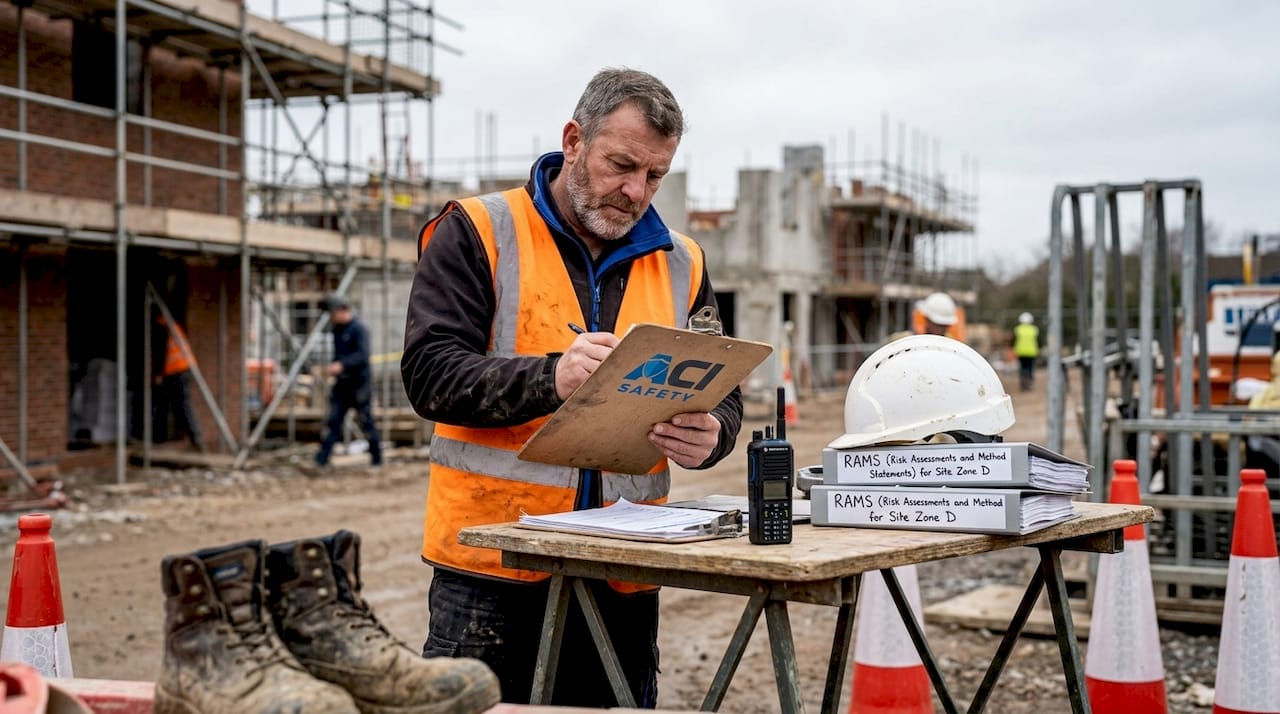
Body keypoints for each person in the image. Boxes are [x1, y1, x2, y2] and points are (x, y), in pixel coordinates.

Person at [401, 67, 743, 708]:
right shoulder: (477, 231)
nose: (635, 190)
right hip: (495, 564)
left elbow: (723, 389)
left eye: (655, 176)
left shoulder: (682, 260)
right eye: (621, 165)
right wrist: (550, 376)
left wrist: (714, 432)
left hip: (626, 566)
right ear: (574, 140)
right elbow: (428, 375)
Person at [315, 294, 382, 468]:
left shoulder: (359, 329)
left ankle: (377, 458)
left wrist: (342, 365)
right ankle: (322, 459)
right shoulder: (337, 329)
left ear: (341, 310)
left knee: (366, 421)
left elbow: (362, 355)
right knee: (334, 420)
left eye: (332, 313)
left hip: (360, 384)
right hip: (342, 385)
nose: (331, 317)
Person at [152, 311, 204, 452]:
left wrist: (158, 373)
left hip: (175, 371)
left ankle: (163, 437)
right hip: (184, 369)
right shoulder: (173, 325)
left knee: (174, 405)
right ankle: (192, 439)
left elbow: (161, 352)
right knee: (179, 405)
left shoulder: (162, 327)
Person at [1013, 311, 1040, 392]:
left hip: (1021, 352)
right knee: (1030, 367)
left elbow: (1014, 340)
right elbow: (1038, 341)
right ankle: (1029, 382)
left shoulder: (1017, 329)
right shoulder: (1034, 329)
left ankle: (1023, 382)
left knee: (1023, 367)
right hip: (1031, 352)